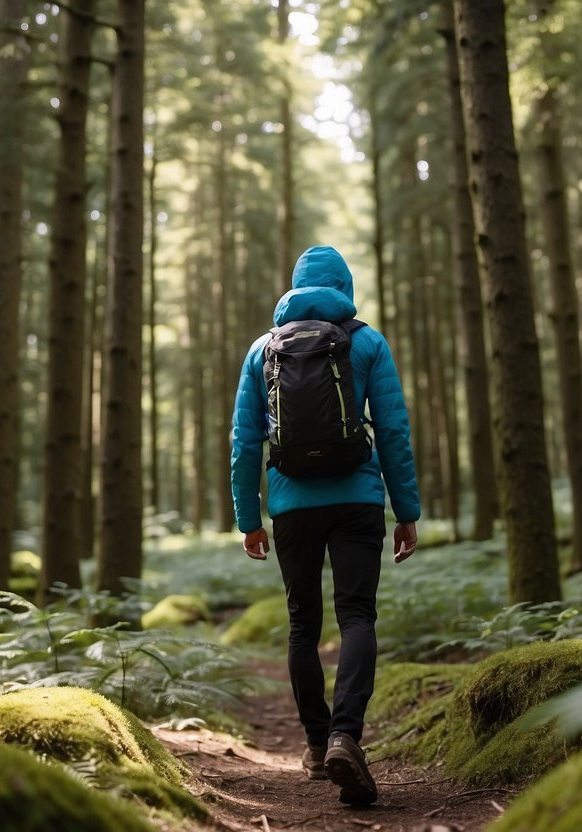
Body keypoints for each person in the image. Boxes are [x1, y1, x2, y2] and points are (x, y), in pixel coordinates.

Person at [230, 244, 421, 806]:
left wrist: (249, 518)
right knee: (357, 614)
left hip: (291, 505)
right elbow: (392, 432)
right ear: (345, 287)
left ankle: (316, 745)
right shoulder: (366, 340)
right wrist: (405, 510)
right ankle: (346, 736)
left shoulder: (263, 349)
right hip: (358, 499)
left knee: (301, 625)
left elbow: (244, 441)